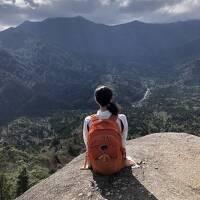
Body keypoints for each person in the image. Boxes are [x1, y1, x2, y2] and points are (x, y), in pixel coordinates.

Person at [81, 85, 136, 173]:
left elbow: (87, 144)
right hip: (117, 163)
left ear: (96, 100)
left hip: (96, 165)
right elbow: (122, 142)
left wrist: (90, 163)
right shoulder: (121, 119)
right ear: (111, 98)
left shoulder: (88, 121)